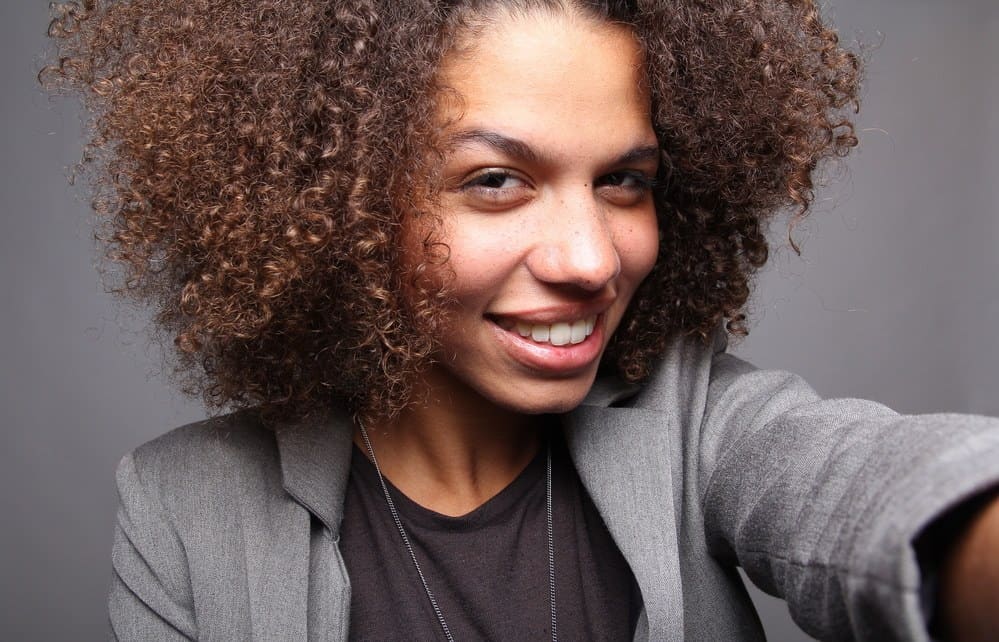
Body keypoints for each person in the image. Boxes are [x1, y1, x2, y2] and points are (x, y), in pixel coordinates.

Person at [43, 0, 999, 640]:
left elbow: (864, 487)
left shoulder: (695, 426)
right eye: (494, 181)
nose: (589, 259)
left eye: (623, 181)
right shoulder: (180, 508)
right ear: (336, 203)